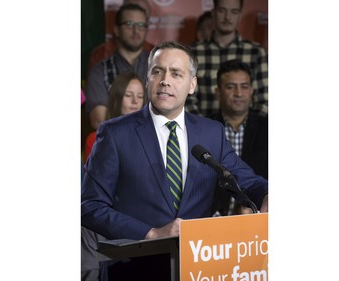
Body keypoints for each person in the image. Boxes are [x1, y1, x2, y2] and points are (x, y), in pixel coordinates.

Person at [81, 41, 268, 280]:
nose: (165, 80)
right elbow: (90, 206)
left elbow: (246, 181)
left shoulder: (211, 133)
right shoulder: (115, 133)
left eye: (176, 73)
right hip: (132, 268)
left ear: (192, 84)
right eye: (157, 71)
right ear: (148, 78)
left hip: (200, 268)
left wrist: (266, 194)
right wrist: (150, 233)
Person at [187, 0, 268, 118]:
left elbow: (264, 100)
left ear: (240, 15)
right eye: (222, 11)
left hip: (247, 132)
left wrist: (249, 130)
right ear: (213, 12)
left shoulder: (255, 52)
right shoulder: (194, 52)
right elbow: (187, 99)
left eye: (234, 12)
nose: (227, 17)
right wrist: (203, 128)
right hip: (202, 131)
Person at [210, 59, 268, 216]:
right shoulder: (204, 129)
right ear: (218, 92)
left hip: (258, 223)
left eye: (244, 86)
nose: (239, 93)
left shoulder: (269, 128)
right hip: (210, 223)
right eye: (230, 87)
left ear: (252, 91)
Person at [85, 3, 151, 130]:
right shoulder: (100, 70)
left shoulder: (158, 68)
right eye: (129, 24)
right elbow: (99, 121)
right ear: (116, 30)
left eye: (141, 25)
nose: (136, 30)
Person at [84, 72, 146, 163]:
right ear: (116, 99)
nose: (135, 101)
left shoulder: (152, 137)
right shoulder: (95, 140)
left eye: (140, 96)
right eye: (128, 95)